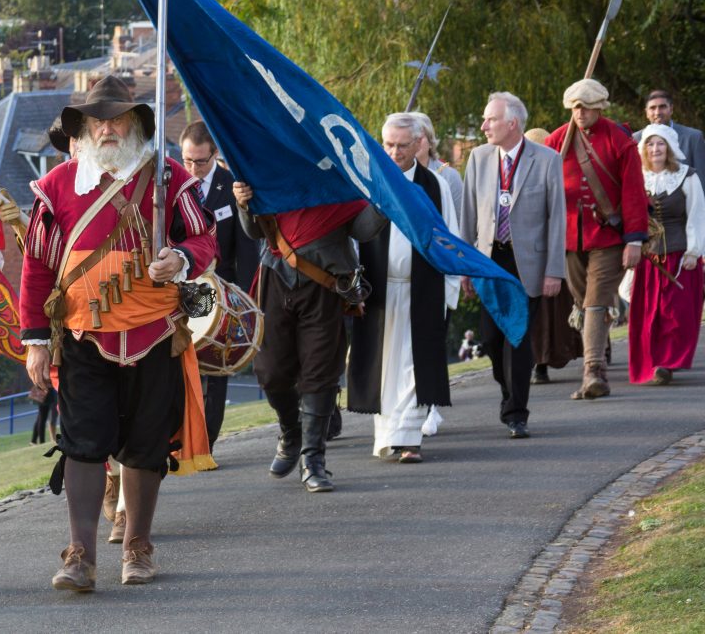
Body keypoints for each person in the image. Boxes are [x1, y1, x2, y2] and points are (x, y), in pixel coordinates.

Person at [19, 76, 218, 591]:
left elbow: (205, 238)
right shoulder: (57, 187)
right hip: (84, 334)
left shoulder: (170, 177)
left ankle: (138, 546)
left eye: (117, 117)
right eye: (97, 120)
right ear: (82, 128)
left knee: (147, 443)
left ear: (135, 123)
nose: (107, 127)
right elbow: (37, 267)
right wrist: (35, 340)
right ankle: (80, 553)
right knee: (83, 441)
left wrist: (182, 257)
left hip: (156, 331)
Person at [233, 170, 386, 492]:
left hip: (325, 283)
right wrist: (244, 203)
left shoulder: (335, 172)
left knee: (319, 374)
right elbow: (253, 231)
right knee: (270, 371)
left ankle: (313, 459)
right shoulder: (268, 168)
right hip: (276, 278)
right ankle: (291, 433)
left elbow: (363, 229)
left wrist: (387, 198)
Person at [347, 113, 460, 463]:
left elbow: (448, 236)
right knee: (384, 367)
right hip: (379, 290)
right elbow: (352, 238)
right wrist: (352, 287)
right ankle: (386, 436)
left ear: (419, 144)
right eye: (389, 144)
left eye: (402, 145)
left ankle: (409, 438)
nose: (394, 152)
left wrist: (450, 286)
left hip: (422, 289)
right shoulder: (368, 181)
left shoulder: (435, 186)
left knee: (414, 364)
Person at [461, 92, 566, 439]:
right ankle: (509, 393)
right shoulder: (478, 158)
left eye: (490, 119)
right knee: (491, 339)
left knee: (517, 338)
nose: (483, 125)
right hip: (490, 261)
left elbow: (557, 220)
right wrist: (465, 265)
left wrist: (554, 270)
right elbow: (468, 217)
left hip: (529, 263)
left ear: (512, 123)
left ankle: (517, 413)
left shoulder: (547, 160)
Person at [545, 79, 648, 400]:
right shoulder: (558, 139)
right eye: (575, 107)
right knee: (581, 301)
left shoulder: (620, 141)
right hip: (569, 237)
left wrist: (634, 240)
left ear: (599, 107)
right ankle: (598, 339)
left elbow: (633, 194)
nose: (580, 113)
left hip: (608, 236)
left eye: (585, 107)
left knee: (594, 301)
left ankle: (593, 372)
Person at [180, 120, 259, 451]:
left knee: (211, 365)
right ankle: (182, 440)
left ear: (214, 154)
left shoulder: (232, 185)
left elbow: (246, 248)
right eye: (187, 160)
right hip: (183, 286)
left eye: (200, 161)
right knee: (183, 366)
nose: (194, 169)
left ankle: (205, 444)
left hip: (219, 289)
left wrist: (245, 297)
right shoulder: (174, 185)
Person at [627, 124, 705, 384]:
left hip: (678, 256)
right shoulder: (637, 177)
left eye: (660, 144)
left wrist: (694, 251)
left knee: (674, 313)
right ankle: (654, 363)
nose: (655, 149)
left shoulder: (687, 176)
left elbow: (697, 215)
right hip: (647, 257)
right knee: (650, 313)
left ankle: (668, 362)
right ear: (643, 149)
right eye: (650, 144)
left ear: (670, 148)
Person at [524, 127, 583, 384]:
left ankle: (548, 360)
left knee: (557, 311)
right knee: (534, 315)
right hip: (527, 255)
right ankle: (536, 362)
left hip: (555, 251)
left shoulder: (557, 172)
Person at [633, 90, 705, 186]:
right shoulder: (635, 139)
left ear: (671, 109)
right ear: (646, 112)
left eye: (662, 107)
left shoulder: (693, 137)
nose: (657, 112)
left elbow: (701, 180)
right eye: (652, 108)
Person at [412, 111, 463, 220]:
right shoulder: (394, 175)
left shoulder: (449, 177)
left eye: (419, 138)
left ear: (430, 142)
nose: (414, 143)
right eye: (409, 138)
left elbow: (461, 222)